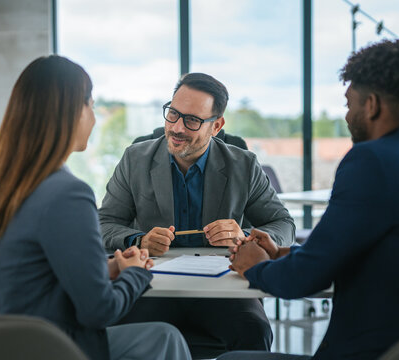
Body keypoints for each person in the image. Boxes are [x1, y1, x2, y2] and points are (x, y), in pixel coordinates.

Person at [223, 39, 399, 360]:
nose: (347, 115)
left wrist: (254, 266)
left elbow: (300, 281)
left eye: (348, 104)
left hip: (382, 351)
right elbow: (368, 252)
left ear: (371, 105)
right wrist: (281, 254)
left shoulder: (373, 160)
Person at [0, 55, 191, 360]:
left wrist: (109, 268)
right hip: (54, 348)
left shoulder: (9, 184)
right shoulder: (68, 193)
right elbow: (99, 311)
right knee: (165, 337)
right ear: (70, 112)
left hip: (12, 345)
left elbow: (41, 278)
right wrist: (135, 274)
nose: (94, 118)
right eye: (91, 106)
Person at [99, 72, 296, 352]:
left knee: (255, 331)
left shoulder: (244, 164)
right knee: (117, 331)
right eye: (173, 114)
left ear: (216, 126)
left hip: (223, 287)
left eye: (192, 120)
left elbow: (284, 224)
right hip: (155, 284)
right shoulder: (135, 159)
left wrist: (246, 235)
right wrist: (138, 240)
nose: (177, 127)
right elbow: (104, 222)